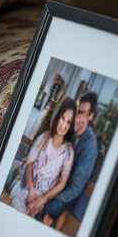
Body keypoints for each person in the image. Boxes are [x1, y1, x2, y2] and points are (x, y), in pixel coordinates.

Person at [30, 91, 99, 225]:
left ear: (91, 116)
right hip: (49, 181)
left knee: (40, 208)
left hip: (65, 195)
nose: (77, 115)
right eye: (77, 110)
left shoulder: (90, 147)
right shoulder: (69, 127)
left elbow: (75, 188)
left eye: (82, 112)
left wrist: (47, 198)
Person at [9, 98, 76, 216]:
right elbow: (29, 164)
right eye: (63, 119)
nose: (63, 126)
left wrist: (43, 198)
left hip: (45, 196)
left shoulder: (68, 151)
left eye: (68, 122)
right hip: (27, 187)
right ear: (57, 117)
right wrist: (31, 190)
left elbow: (62, 182)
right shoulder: (44, 137)